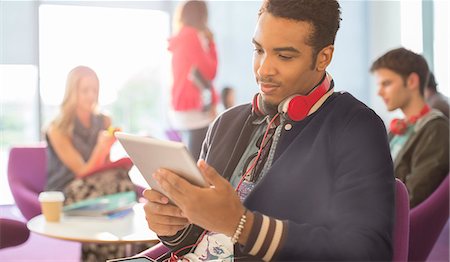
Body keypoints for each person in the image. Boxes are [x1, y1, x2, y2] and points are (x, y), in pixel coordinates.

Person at [143, 0, 394, 261]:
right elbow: (199, 237)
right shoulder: (225, 123)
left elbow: (367, 252)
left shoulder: (356, 128)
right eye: (258, 50)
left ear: (323, 57)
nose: (264, 70)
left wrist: (242, 225)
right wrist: (173, 225)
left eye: (284, 56)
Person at [45, 66, 137, 261]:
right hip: (69, 189)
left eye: (95, 90)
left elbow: (103, 167)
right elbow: (82, 172)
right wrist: (101, 147)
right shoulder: (57, 128)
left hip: (97, 185)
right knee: (118, 185)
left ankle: (135, 253)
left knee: (121, 179)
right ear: (72, 92)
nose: (91, 95)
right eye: (85, 90)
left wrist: (111, 150)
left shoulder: (103, 121)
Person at [371, 47, 449, 208]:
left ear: (412, 81)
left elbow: (412, 196)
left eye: (387, 83)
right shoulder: (399, 128)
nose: (379, 92)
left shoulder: (436, 129)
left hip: (394, 223)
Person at [168, 0, 219, 161]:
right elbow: (210, 72)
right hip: (195, 108)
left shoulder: (181, 37)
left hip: (182, 105)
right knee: (199, 162)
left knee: (192, 158)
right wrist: (211, 44)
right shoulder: (193, 37)